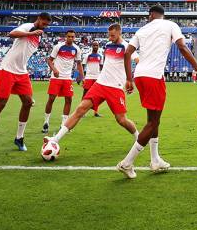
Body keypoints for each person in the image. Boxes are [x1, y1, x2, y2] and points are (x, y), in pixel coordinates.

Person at [117, 5, 197, 179]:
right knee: (152, 122)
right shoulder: (170, 25)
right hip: (154, 77)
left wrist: (129, 79)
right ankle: (127, 163)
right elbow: (182, 47)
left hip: (140, 75)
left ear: (151, 15)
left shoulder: (142, 30)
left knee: (153, 120)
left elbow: (127, 53)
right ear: (162, 15)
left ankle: (155, 159)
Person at [44, 24, 138, 152]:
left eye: (112, 35)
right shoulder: (108, 46)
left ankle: (139, 138)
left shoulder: (127, 47)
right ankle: (55, 140)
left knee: (121, 120)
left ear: (119, 33)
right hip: (99, 84)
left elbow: (137, 60)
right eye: (109, 35)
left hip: (115, 87)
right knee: (80, 109)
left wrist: (130, 79)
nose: (110, 38)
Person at [0, 14, 51, 158]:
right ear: (38, 19)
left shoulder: (39, 36)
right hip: (7, 70)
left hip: (22, 72)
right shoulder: (28, 27)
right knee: (0, 104)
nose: (44, 26)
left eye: (47, 25)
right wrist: (31, 32)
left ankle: (19, 138)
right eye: (43, 23)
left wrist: (35, 35)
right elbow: (12, 33)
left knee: (28, 102)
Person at [41, 30, 83, 133]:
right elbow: (49, 60)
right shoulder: (58, 47)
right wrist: (54, 70)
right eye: (69, 36)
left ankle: (63, 124)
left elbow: (79, 64)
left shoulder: (76, 49)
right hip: (56, 77)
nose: (71, 38)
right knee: (51, 99)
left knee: (69, 100)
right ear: (66, 37)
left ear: (75, 37)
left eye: (73, 37)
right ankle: (46, 122)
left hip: (67, 78)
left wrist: (81, 76)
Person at [82, 41, 103, 117]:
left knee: (97, 95)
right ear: (92, 46)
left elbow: (101, 67)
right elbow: (83, 65)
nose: (95, 47)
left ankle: (95, 112)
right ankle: (82, 112)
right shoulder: (87, 55)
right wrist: (83, 76)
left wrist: (101, 76)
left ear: (98, 46)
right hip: (88, 77)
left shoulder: (100, 56)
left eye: (96, 45)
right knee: (85, 94)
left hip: (97, 77)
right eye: (94, 45)